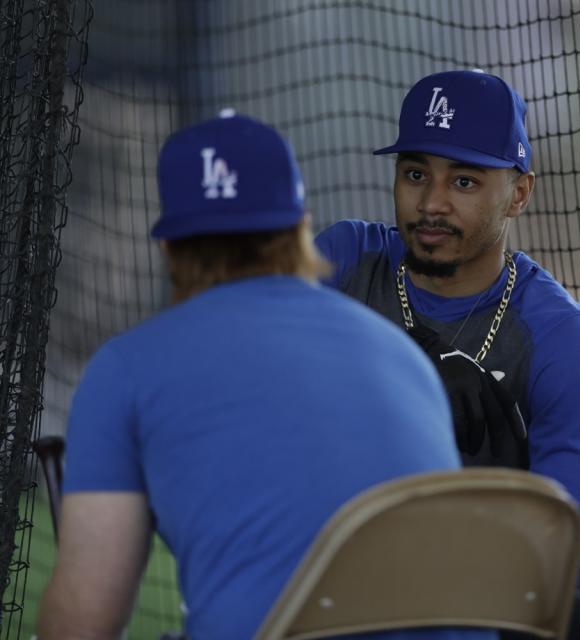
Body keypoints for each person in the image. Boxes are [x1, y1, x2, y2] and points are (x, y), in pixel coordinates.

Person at [36, 112, 494, 640]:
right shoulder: (401, 355)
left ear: (169, 248)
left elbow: (85, 620)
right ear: (301, 228)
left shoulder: (125, 369)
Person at [314, 70, 580, 638]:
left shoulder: (556, 332)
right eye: (414, 174)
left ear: (519, 193)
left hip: (477, 599)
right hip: (336, 583)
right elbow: (239, 339)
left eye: (464, 182)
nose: (431, 203)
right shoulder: (344, 264)